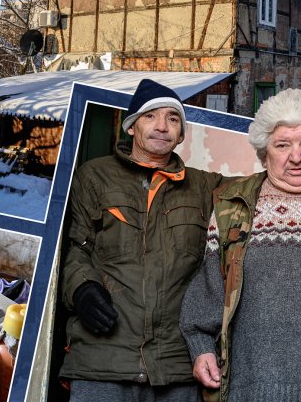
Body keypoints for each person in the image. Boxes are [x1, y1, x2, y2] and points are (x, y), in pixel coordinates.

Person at [60, 78, 223, 402]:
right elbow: (76, 249)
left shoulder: (205, 187)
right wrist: (83, 290)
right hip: (102, 359)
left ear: (181, 134)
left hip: (177, 364)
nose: (162, 126)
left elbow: (269, 186)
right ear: (132, 126)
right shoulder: (94, 176)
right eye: (151, 116)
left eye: (173, 119)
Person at [180, 88, 301, 401]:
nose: (297, 156)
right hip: (252, 387)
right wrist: (201, 351)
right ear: (264, 154)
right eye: (283, 145)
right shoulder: (234, 207)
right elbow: (208, 291)